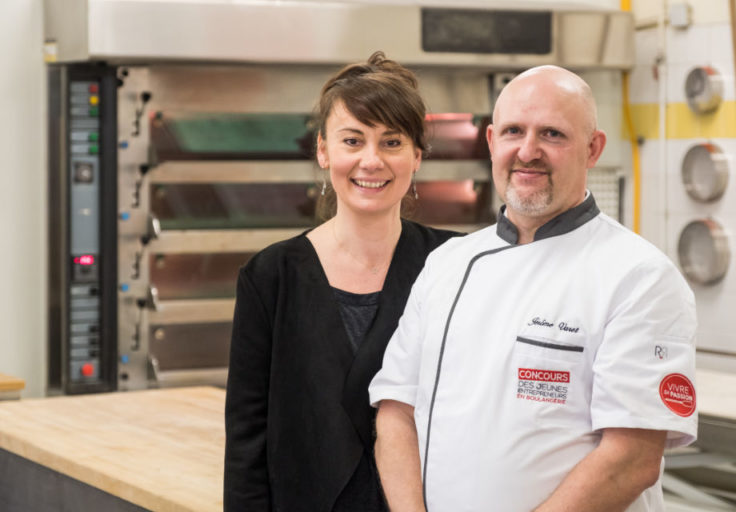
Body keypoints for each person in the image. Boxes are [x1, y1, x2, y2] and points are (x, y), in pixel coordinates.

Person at [370, 65, 698, 512]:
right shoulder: (447, 263)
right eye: (513, 131)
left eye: (552, 135)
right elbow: (395, 411)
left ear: (593, 148)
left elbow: (632, 459)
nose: (528, 151)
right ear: (490, 143)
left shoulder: (639, 277)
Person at [224, 51, 458, 511]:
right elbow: (247, 440)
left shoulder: (454, 262)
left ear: (417, 156)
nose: (371, 161)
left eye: (391, 142)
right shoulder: (271, 276)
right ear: (323, 151)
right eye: (353, 141)